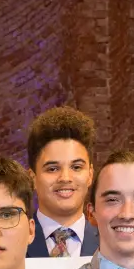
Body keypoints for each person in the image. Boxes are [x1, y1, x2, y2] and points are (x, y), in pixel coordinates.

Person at [26, 107, 100, 259]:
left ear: (90, 175)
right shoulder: (11, 244)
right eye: (52, 169)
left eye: (76, 167)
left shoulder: (111, 245)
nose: (65, 178)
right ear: (32, 178)